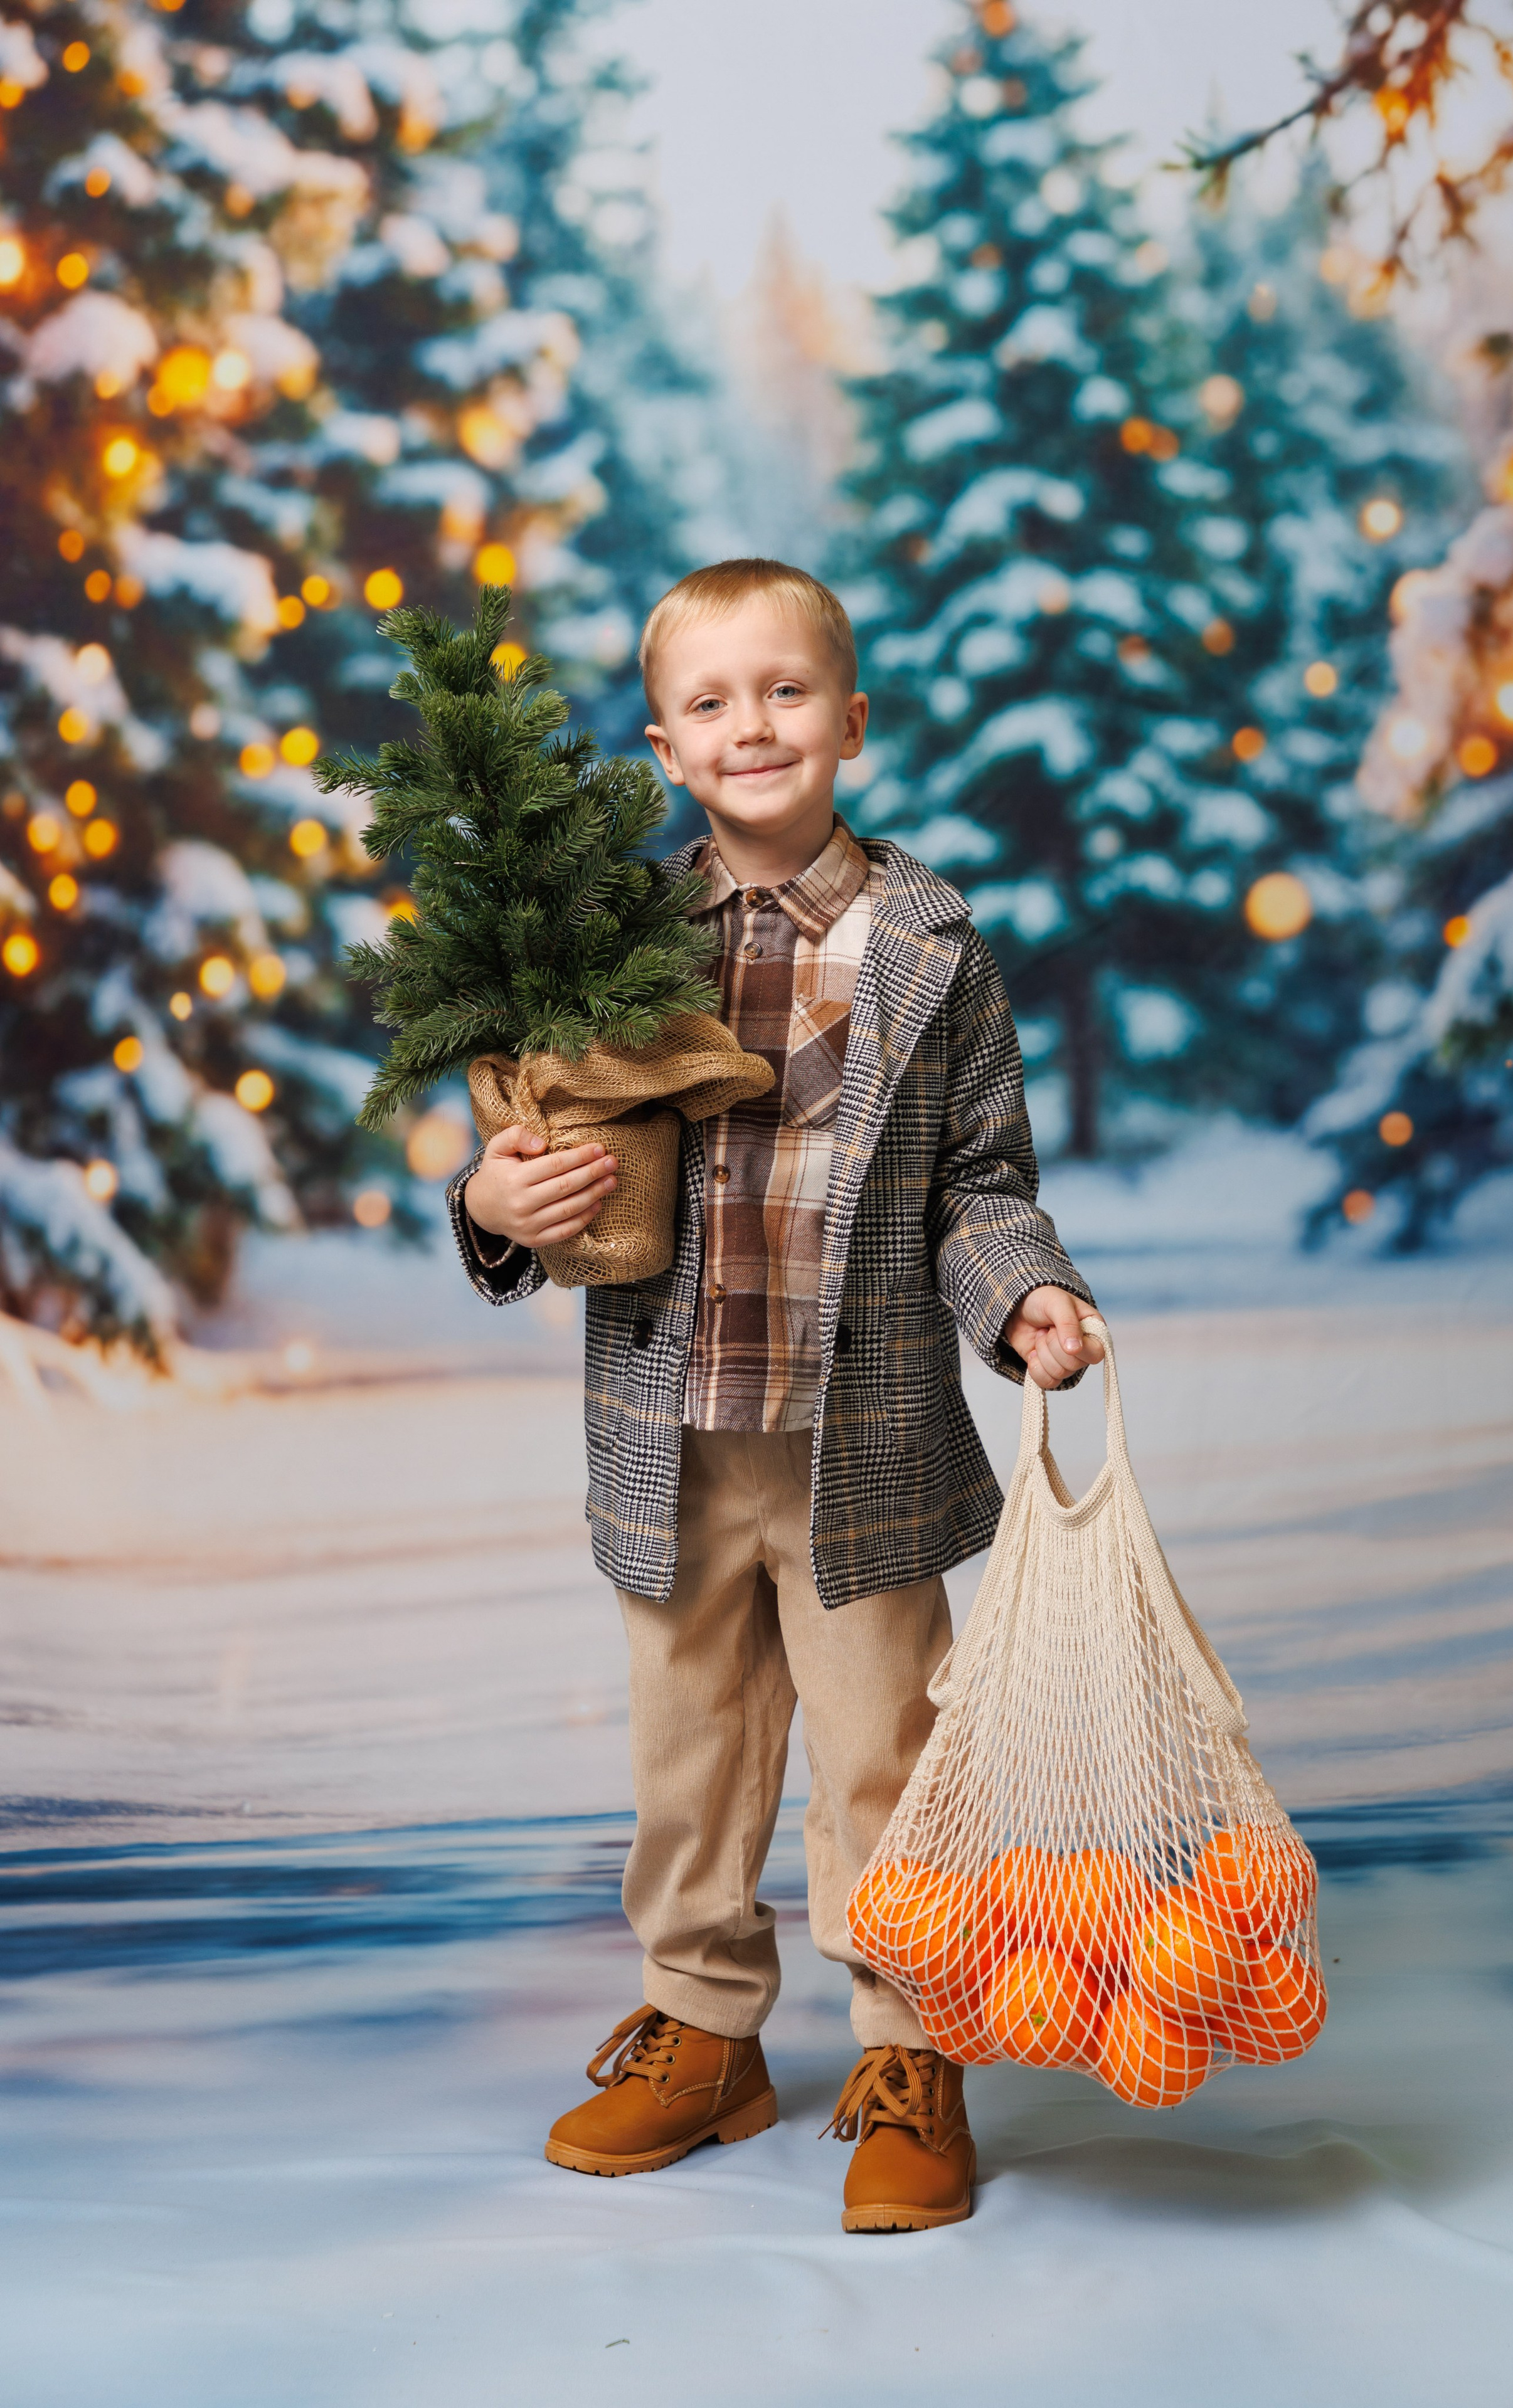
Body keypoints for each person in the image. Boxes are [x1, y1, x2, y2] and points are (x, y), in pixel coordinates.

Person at [448, 559, 1103, 2233]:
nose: (756, 726)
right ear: (667, 747)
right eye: (715, 702)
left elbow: (982, 1176)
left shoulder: (935, 953)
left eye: (789, 691)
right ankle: (705, 2024)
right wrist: (488, 1206)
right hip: (669, 1437)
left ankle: (909, 2047)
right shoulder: (601, 948)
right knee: (692, 1758)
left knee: (887, 1756)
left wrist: (1021, 1291)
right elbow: (521, 1131)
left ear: (854, 723)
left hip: (858, 1447)